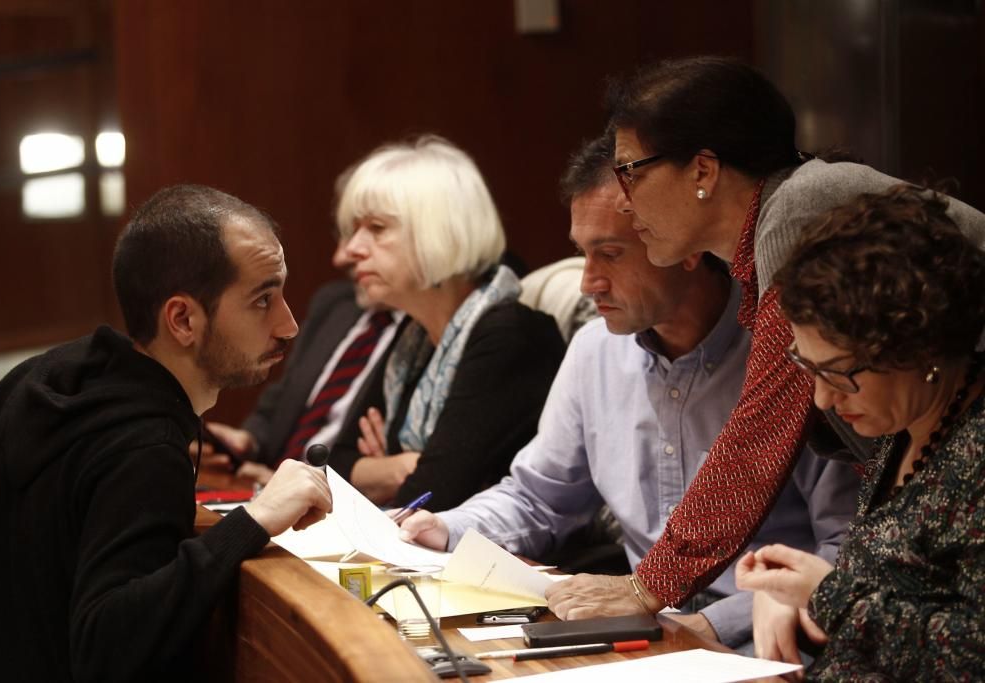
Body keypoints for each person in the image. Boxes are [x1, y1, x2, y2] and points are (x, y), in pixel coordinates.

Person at [562, 55, 985, 628]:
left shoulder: (796, 210)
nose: (624, 198)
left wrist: (648, 586)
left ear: (703, 172)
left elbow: (761, 429)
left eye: (630, 171)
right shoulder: (776, 220)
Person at [399, 135, 859, 652]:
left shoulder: (793, 351)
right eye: (582, 254)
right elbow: (539, 497)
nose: (587, 283)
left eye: (611, 254)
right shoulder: (594, 350)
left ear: (681, 245)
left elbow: (847, 548)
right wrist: (445, 527)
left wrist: (715, 624)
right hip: (636, 630)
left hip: (765, 638)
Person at [0, 185, 333, 681]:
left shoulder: (37, 378)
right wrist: (254, 519)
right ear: (183, 319)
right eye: (263, 299)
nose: (289, 325)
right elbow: (105, 645)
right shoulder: (144, 448)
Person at [734, 186, 985, 679]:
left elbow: (972, 652)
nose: (824, 400)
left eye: (840, 373)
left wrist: (826, 596)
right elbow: (891, 597)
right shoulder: (908, 426)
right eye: (809, 368)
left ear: (919, 347)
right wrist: (789, 599)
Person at [328, 135, 565, 512]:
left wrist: (391, 474)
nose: (353, 249)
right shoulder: (415, 335)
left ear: (439, 231)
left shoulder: (511, 337)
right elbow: (332, 467)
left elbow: (429, 498)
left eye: (376, 228)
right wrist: (396, 469)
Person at [195, 171, 401, 483]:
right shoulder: (337, 302)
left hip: (339, 496)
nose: (342, 255)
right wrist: (247, 441)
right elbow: (284, 397)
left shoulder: (427, 328)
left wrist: (285, 479)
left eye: (374, 229)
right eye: (347, 231)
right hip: (268, 483)